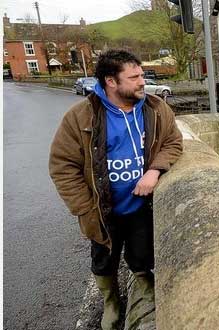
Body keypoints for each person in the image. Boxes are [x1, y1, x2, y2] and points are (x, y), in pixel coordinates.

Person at [49, 49, 183, 330]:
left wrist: (154, 170)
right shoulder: (80, 117)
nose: (142, 81)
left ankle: (144, 285)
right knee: (103, 261)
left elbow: (173, 142)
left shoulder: (156, 109)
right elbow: (62, 166)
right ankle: (111, 302)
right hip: (101, 210)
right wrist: (86, 208)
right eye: (134, 77)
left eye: (142, 75)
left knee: (141, 253)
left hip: (139, 205)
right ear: (111, 81)